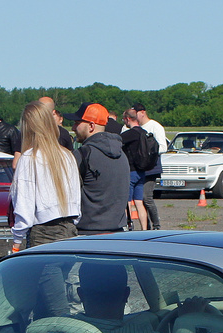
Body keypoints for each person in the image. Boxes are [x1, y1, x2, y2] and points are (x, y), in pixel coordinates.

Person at [10, 101, 81, 251]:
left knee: (46, 275)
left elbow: (24, 205)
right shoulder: (68, 155)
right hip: (70, 229)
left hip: (43, 234)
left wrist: (17, 241)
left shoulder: (29, 158)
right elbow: (76, 198)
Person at [62, 102, 129, 235]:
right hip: (118, 232)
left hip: (87, 233)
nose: (73, 127)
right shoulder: (122, 154)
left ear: (91, 126)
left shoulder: (83, 154)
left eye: (77, 123)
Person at [131, 102, 165, 230]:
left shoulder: (155, 126)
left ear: (143, 113)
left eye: (136, 113)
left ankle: (156, 226)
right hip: (139, 168)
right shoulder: (134, 127)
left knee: (147, 197)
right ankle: (146, 227)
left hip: (152, 167)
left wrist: (147, 153)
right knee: (139, 199)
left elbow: (163, 146)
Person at [121, 109, 154, 231]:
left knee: (128, 202)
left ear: (128, 119)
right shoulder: (144, 133)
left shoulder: (129, 134)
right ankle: (144, 229)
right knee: (139, 202)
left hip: (131, 170)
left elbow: (118, 141)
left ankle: (128, 226)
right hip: (142, 171)